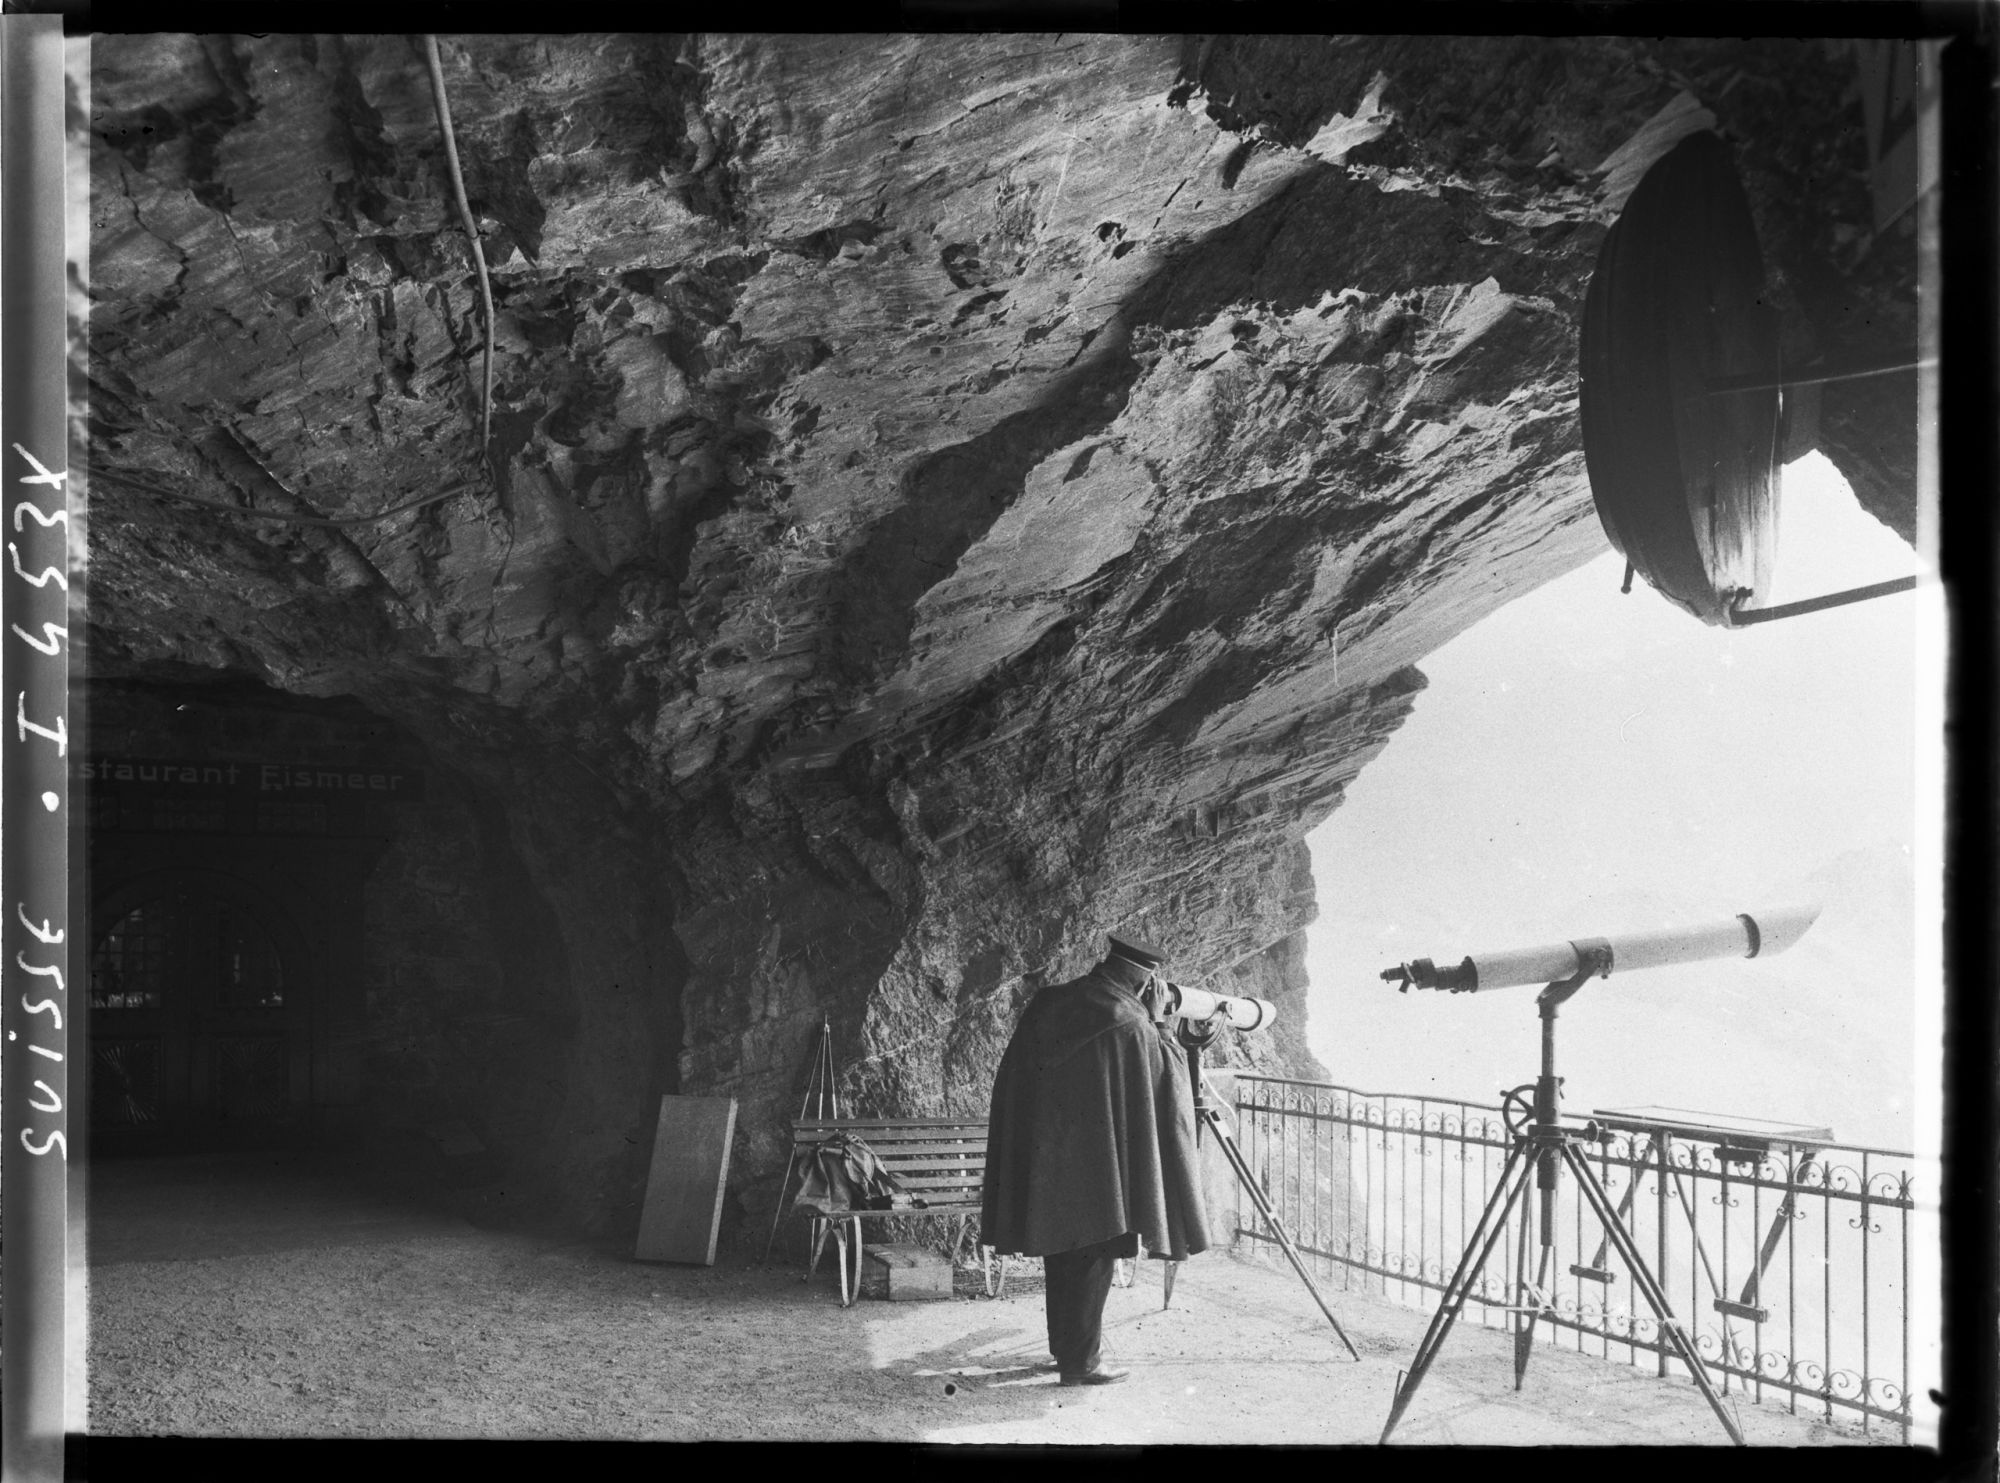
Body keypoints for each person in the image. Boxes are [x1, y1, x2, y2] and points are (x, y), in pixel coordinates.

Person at [979, 932, 1211, 1386]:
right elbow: (1169, 1085)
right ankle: (1082, 1363)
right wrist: (1161, 1023)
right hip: (1101, 1168)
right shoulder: (1131, 1023)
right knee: (1096, 1256)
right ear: (1148, 982)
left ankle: (1066, 1350)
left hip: (1046, 1161)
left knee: (1062, 1255)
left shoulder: (1050, 1001)